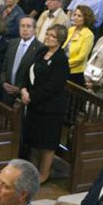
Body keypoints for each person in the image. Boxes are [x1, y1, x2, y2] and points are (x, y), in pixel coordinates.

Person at [21, 24, 69, 183]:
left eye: (52, 36)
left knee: (46, 143)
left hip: (50, 108)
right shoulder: (42, 51)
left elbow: (53, 86)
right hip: (35, 104)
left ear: (60, 40)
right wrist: (24, 89)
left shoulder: (61, 59)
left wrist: (32, 96)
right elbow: (29, 69)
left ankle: (44, 173)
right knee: (34, 140)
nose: (47, 37)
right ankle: (33, 170)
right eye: (47, 34)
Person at [2, 16, 45, 106]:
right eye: (22, 26)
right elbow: (4, 66)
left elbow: (35, 75)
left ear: (34, 29)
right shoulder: (13, 43)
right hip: (7, 91)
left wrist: (20, 88)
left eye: (28, 26)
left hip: (23, 95)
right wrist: (3, 82)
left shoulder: (40, 48)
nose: (25, 29)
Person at [63, 5, 95, 84]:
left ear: (86, 18)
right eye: (75, 15)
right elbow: (64, 47)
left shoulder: (88, 35)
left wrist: (64, 63)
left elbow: (81, 57)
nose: (76, 18)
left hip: (75, 72)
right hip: (63, 66)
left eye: (79, 16)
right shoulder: (71, 29)